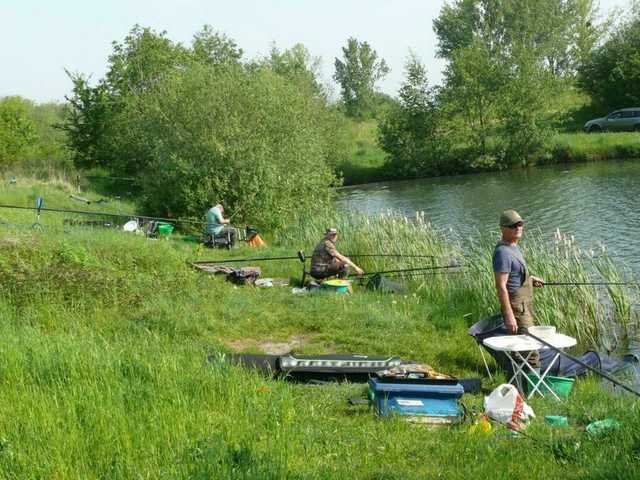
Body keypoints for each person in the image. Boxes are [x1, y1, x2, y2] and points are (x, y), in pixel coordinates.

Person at [493, 209, 545, 368]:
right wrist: (509, 315)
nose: (518, 227)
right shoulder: (503, 253)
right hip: (517, 308)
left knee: (527, 346)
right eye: (513, 225)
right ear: (503, 228)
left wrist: (529, 279)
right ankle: (531, 388)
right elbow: (501, 286)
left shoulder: (513, 246)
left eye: (520, 224)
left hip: (525, 305)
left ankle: (520, 381)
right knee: (529, 349)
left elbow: (515, 274)